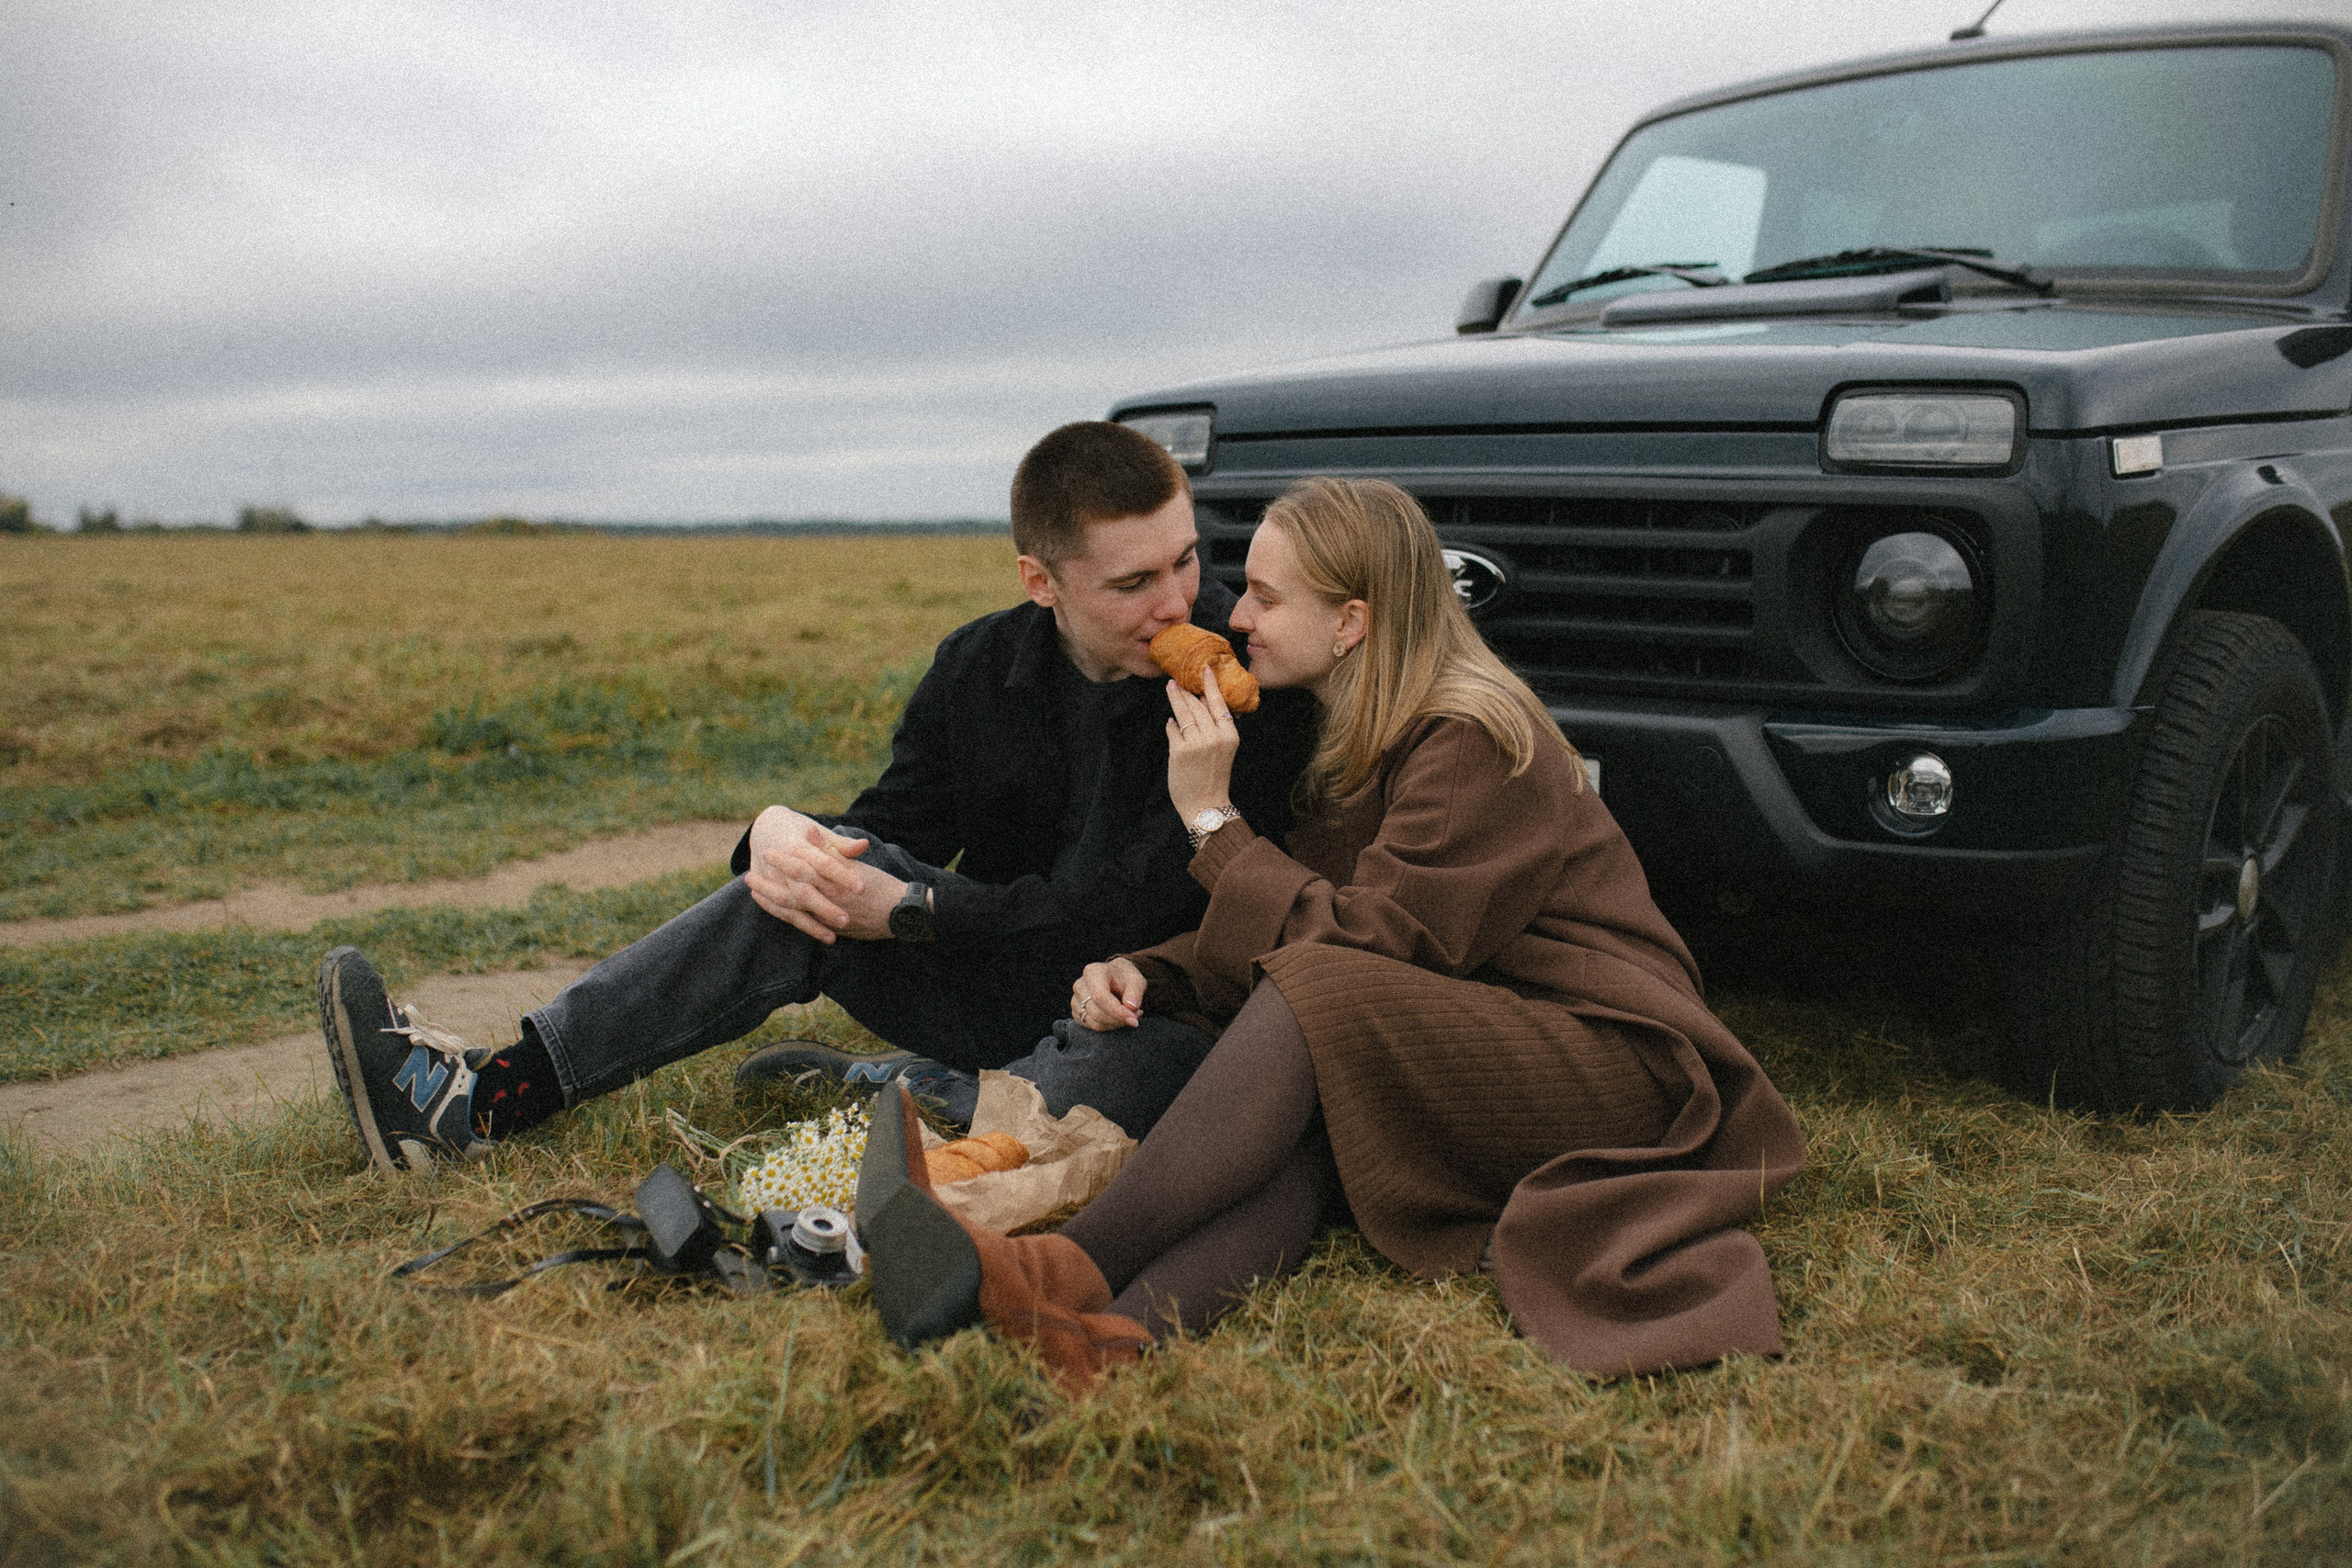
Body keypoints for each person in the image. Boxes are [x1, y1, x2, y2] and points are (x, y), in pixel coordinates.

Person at [854, 476, 1808, 1386]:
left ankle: (1060, 1270)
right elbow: (1310, 912)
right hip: (1477, 1036)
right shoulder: (1354, 738)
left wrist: (1213, 823)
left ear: (1351, 621)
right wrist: (1149, 970)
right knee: (1310, 1141)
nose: (1235, 616)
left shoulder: (1470, 737)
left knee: (1322, 995)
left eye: (1267, 598)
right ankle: (1111, 1343)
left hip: (1613, 1066)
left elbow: (1364, 947)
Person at [315, 422, 1317, 1174]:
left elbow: (1123, 914)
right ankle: (486, 1101)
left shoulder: (1252, 684)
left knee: (1101, 1102)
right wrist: (777, 837)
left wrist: (921, 910)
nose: (1181, 603)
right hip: (1003, 979)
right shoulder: (977, 667)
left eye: (1188, 559)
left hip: (1152, 1005)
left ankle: (940, 1097)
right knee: (819, 876)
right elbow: (892, 832)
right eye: (1133, 582)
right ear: (1040, 582)